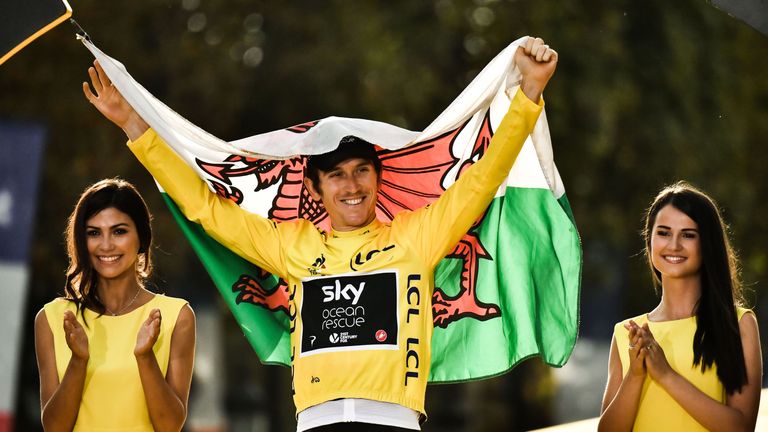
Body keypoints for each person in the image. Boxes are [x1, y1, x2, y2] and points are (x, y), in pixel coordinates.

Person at [83, 37, 557, 431]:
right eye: (336, 176)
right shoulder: (292, 246)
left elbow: (481, 180)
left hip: (393, 421)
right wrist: (132, 123)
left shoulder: (418, 236)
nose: (350, 186)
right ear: (314, 186)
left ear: (377, 177)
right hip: (314, 422)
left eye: (360, 172)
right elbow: (206, 209)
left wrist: (528, 94)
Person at [34, 178, 196, 432]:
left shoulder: (176, 316)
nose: (106, 245)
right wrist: (78, 360)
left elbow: (170, 425)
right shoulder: (53, 318)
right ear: (81, 241)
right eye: (94, 233)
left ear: (141, 238)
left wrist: (145, 357)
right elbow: (54, 428)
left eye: (119, 231)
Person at [598, 182, 762, 431]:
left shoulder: (739, 324)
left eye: (688, 234)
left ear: (707, 243)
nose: (674, 245)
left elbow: (741, 427)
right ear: (649, 240)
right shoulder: (627, 333)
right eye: (663, 233)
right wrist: (636, 374)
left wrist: (665, 375)